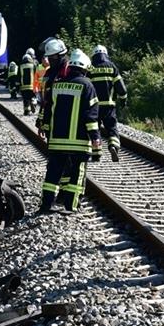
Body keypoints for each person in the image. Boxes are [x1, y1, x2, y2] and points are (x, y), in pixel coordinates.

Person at [38, 49, 101, 214]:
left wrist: (44, 128)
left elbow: (47, 109)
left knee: (53, 172)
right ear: (85, 68)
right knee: (77, 173)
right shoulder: (87, 86)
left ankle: (46, 205)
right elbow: (91, 117)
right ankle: (71, 206)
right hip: (79, 142)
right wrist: (95, 139)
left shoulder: (57, 85)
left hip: (57, 140)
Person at [88, 45, 127, 162]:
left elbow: (87, 87)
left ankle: (96, 153)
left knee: (95, 128)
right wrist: (123, 99)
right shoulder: (112, 67)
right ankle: (113, 146)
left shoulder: (90, 68)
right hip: (109, 106)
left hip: (94, 106)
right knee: (112, 127)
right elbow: (121, 88)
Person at [36, 38, 69, 136]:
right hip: (50, 122)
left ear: (61, 55)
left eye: (52, 57)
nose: (50, 60)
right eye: (49, 57)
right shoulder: (48, 73)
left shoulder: (69, 71)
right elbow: (45, 99)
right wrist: (40, 120)